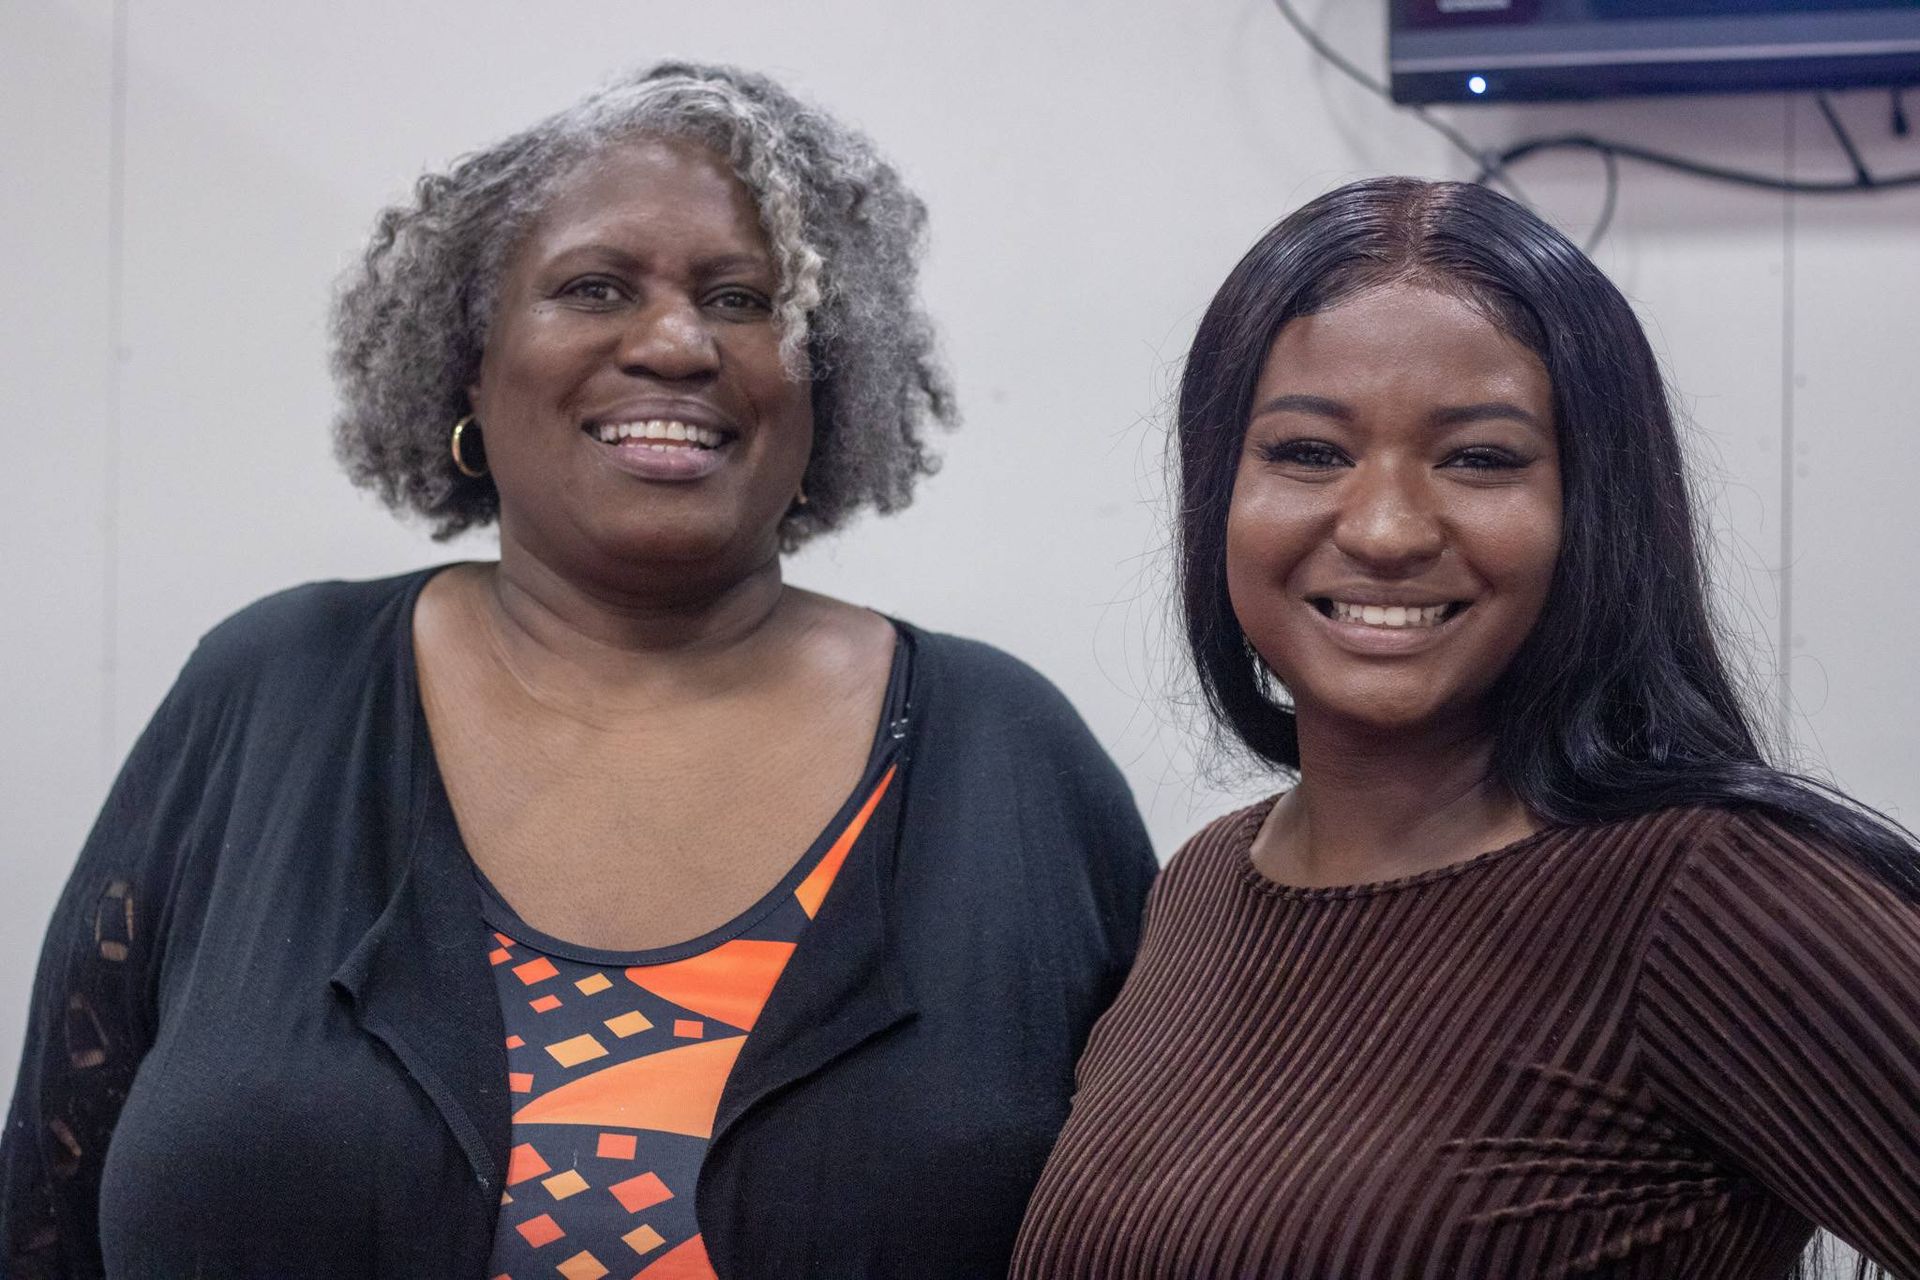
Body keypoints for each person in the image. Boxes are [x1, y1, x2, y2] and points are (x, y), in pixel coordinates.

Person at [2, 62, 1156, 1280]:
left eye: (748, 299)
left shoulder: (1008, 753)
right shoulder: (268, 692)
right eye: (594, 286)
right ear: (468, 365)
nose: (674, 341)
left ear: (826, 381)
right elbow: (44, 1210)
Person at [1011, 177, 1920, 1278]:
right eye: (1309, 452)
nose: (1386, 527)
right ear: (1218, 492)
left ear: (1594, 508)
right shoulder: (1202, 886)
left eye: (1480, 458)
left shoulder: (1707, 893)